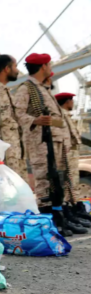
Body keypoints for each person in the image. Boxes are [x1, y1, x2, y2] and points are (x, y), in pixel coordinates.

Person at [14, 55, 88, 235]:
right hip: (41, 143)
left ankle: (60, 218)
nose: (50, 68)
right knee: (45, 181)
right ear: (43, 67)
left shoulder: (41, 89)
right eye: (48, 65)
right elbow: (16, 113)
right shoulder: (26, 89)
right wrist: (35, 119)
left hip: (57, 142)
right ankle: (49, 222)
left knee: (59, 181)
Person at [55, 92, 91, 226]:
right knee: (67, 185)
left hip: (72, 155)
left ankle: (76, 211)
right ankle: (69, 213)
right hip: (67, 155)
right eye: (71, 100)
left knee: (73, 184)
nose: (73, 103)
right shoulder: (61, 117)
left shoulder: (67, 117)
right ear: (67, 102)